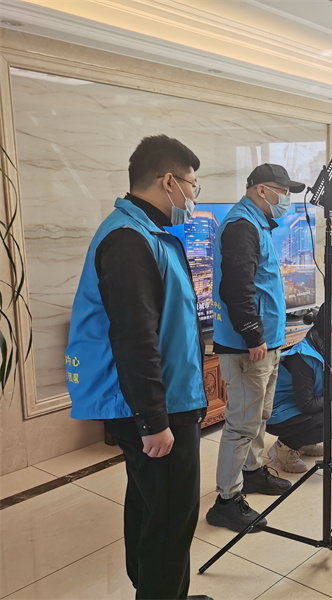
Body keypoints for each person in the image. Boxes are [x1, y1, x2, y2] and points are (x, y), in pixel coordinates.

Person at [66, 135, 212, 600]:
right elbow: (134, 337)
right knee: (170, 518)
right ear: (168, 181)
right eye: (192, 186)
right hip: (154, 406)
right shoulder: (128, 240)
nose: (193, 197)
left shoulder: (144, 232)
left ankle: (154, 589)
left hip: (165, 398)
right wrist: (153, 420)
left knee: (152, 505)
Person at [205, 164, 304, 533]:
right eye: (283, 191)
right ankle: (227, 500)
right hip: (249, 347)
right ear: (262, 190)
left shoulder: (258, 223)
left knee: (259, 415)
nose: (287, 199)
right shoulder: (242, 225)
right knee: (241, 423)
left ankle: (251, 470)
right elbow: (237, 289)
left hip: (267, 342)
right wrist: (253, 336)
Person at [265, 299, 332, 472]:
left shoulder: (330, 346)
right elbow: (307, 404)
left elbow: (329, 377)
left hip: (298, 406)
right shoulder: (304, 357)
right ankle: (285, 447)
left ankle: (304, 442)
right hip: (279, 413)